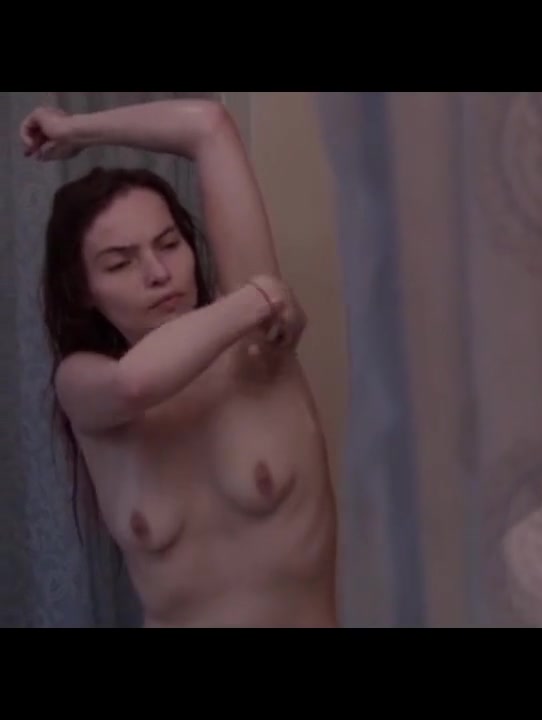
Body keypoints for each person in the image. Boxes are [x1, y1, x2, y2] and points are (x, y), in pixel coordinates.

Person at [21, 99, 338, 627]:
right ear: (83, 291)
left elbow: (208, 125)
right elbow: (134, 384)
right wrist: (262, 295)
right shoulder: (82, 383)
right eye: (120, 263)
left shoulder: (254, 352)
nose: (158, 273)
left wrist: (75, 130)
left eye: (169, 244)